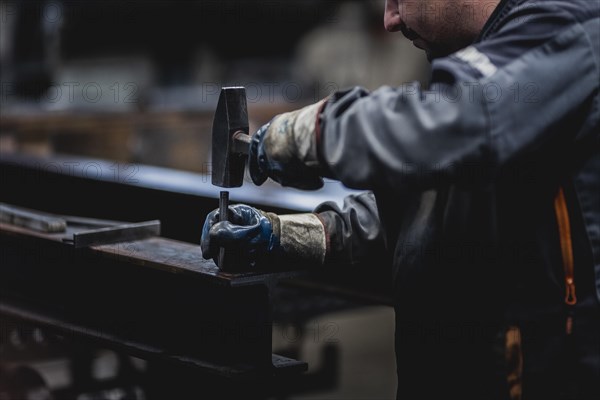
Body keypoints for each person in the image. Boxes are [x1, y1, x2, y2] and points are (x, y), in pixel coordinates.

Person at [202, 0, 600, 398]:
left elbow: (451, 122)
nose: (390, 19)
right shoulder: (488, 55)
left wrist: (309, 133)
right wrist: (298, 234)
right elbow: (432, 202)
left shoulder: (569, 26)